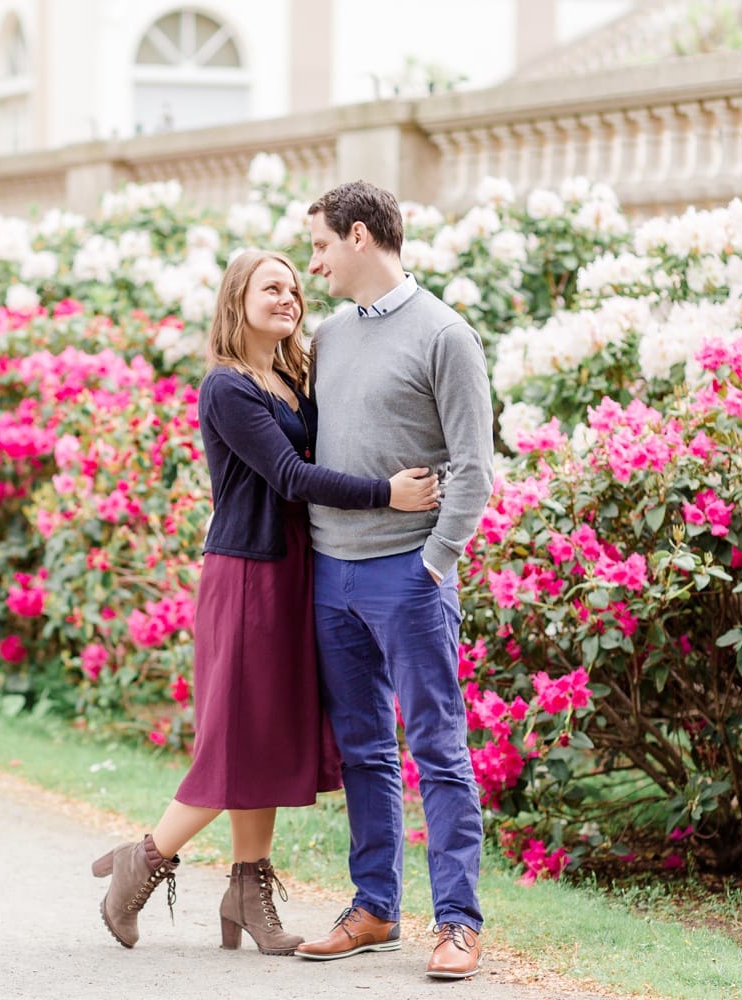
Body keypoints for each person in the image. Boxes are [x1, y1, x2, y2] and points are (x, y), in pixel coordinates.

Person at [90, 249, 440, 955]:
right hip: (247, 579)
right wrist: (386, 494)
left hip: (293, 572)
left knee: (265, 734)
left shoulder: (289, 376)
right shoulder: (228, 387)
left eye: (294, 288)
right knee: (233, 739)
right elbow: (288, 475)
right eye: (271, 287)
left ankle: (248, 890)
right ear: (237, 299)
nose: (289, 297)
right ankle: (145, 859)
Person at [293, 181, 495, 980]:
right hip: (330, 575)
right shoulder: (334, 336)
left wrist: (432, 565)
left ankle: (457, 924)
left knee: (439, 750)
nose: (313, 264)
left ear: (361, 237)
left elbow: (475, 471)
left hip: (407, 577)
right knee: (366, 750)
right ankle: (375, 907)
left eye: (319, 246)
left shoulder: (447, 335)